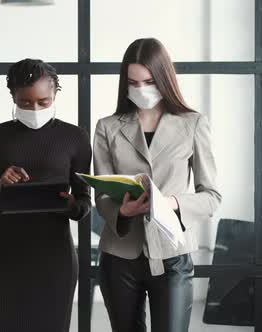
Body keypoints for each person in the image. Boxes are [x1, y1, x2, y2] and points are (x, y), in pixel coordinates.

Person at [93, 38, 222, 332]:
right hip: (120, 256)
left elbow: (211, 196)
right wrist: (122, 211)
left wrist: (172, 203)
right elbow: (101, 197)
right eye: (133, 82)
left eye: (149, 81)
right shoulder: (107, 127)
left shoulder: (193, 124)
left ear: (164, 78)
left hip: (172, 254)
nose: (141, 90)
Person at [0, 58, 92, 331]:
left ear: (55, 94)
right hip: (8, 259)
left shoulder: (75, 138)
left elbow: (84, 206)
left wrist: (68, 202)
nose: (34, 109)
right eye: (24, 103)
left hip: (55, 258)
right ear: (13, 96)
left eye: (43, 102)